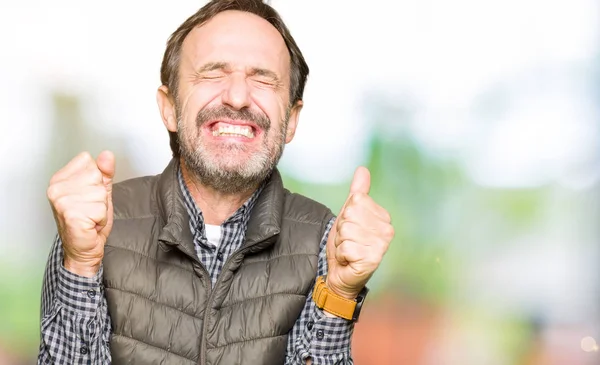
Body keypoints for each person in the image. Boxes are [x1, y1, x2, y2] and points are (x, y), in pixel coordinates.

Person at [38, 0, 394, 364]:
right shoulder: (97, 227)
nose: (238, 97)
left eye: (263, 78)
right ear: (170, 108)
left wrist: (338, 292)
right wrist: (80, 264)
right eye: (212, 73)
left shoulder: (326, 243)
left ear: (291, 118)